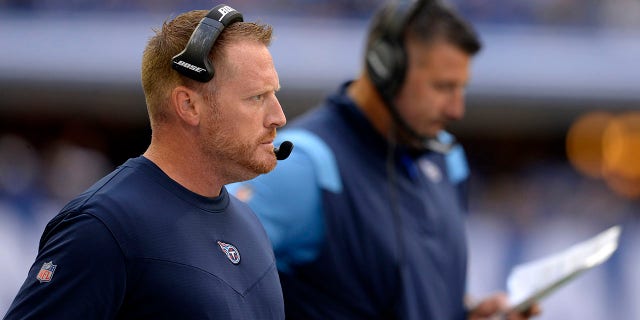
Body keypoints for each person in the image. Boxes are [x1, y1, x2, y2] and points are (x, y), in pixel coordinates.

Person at [227, 0, 541, 319]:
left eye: (461, 88)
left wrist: (469, 312)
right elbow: (213, 277)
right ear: (385, 68)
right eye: (443, 87)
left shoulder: (448, 159)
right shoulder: (302, 165)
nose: (456, 109)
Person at [4, 4, 288, 319]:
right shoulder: (103, 227)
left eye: (274, 95)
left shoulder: (249, 224)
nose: (279, 117)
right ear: (189, 105)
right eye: (257, 98)